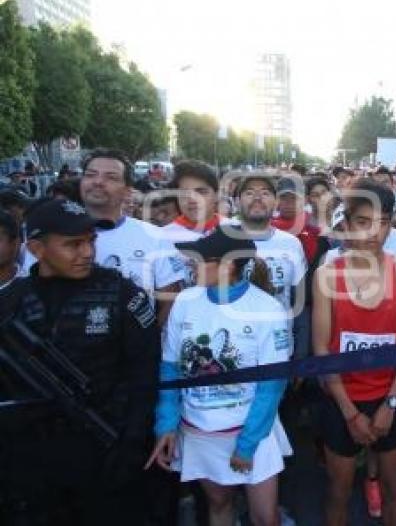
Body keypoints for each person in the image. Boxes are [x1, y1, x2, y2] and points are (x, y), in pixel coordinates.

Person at [0, 199, 160, 524]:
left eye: (90, 241)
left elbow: (145, 373)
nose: (86, 252)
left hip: (103, 450)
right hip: (29, 457)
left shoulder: (122, 295)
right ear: (36, 248)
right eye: (73, 244)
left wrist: (132, 444)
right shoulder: (10, 302)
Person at [147, 226, 294, 526]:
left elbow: (272, 384)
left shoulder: (267, 309)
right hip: (199, 431)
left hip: (253, 432)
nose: (190, 263)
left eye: (200, 259)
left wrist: (247, 443)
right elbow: (171, 367)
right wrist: (166, 424)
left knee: (266, 518)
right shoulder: (185, 303)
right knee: (218, 504)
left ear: (227, 266)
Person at [312, 179, 396, 526]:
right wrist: (349, 413)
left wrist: (390, 403)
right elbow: (321, 348)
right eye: (363, 222)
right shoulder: (327, 274)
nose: (374, 232)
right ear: (346, 223)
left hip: (390, 397)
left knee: (392, 490)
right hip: (342, 401)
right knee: (337, 491)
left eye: (384, 221)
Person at [76, 149, 184, 323]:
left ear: (127, 191)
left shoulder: (155, 237)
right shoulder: (52, 235)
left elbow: (170, 299)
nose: (98, 182)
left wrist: (146, 341)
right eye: (90, 175)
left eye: (110, 177)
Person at [232, 174, 308, 358]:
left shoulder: (291, 244)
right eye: (250, 192)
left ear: (275, 202)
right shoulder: (220, 238)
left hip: (278, 349)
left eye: (265, 193)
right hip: (233, 351)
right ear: (236, 201)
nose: (257, 198)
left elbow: (299, 302)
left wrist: (300, 352)